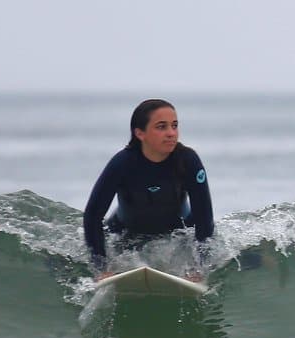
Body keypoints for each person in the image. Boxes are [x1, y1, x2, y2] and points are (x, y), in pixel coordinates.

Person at [83, 98, 214, 279]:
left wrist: (200, 266)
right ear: (140, 133)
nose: (171, 133)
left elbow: (204, 217)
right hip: (125, 233)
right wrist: (101, 267)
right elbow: (92, 216)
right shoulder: (122, 164)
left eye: (174, 126)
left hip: (179, 232)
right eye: (161, 127)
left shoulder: (188, 161)